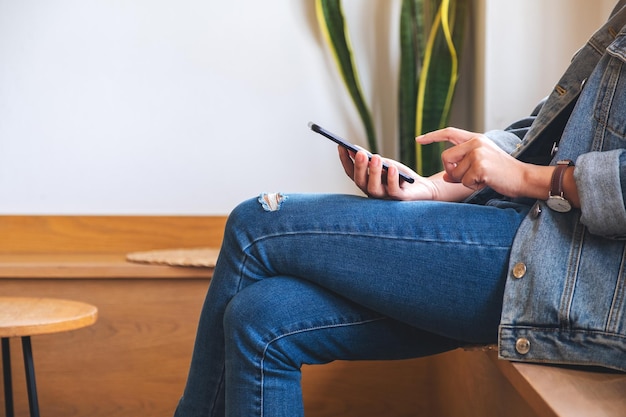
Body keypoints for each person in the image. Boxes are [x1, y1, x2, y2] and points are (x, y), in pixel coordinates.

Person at [174, 2, 626, 416]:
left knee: (257, 224)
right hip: (523, 228)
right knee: (260, 317)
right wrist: (430, 187)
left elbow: (540, 173)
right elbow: (548, 131)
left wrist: (528, 178)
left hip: (571, 272)